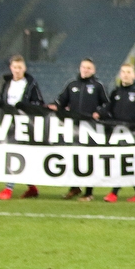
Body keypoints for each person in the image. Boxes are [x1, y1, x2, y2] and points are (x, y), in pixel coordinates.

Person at [51, 58, 109, 202]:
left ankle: (89, 192)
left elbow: (107, 104)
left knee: (89, 160)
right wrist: (54, 106)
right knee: (73, 158)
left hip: (90, 128)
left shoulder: (98, 85)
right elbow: (61, 101)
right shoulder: (72, 85)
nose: (85, 70)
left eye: (89, 68)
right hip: (74, 127)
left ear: (93, 70)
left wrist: (99, 112)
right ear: (80, 68)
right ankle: (74, 187)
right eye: (83, 67)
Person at [0, 55, 44, 200]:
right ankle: (32, 188)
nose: (17, 70)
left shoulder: (31, 83)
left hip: (24, 125)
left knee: (14, 155)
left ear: (24, 68)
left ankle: (8, 190)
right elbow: (4, 100)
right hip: (9, 123)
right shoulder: (7, 82)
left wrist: (25, 106)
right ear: (11, 68)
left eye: (20, 68)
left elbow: (39, 103)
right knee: (17, 156)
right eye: (15, 67)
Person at [103, 63, 135, 203]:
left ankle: (114, 193)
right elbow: (108, 111)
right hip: (117, 134)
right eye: (123, 71)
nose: (125, 74)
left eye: (128, 72)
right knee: (127, 164)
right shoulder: (115, 92)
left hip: (133, 135)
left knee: (123, 163)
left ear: (134, 75)